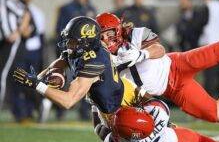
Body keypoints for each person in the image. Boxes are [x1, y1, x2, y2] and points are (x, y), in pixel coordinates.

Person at [96, 1, 219, 123]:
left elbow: (159, 49)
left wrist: (141, 55)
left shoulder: (136, 34)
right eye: (102, 36)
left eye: (110, 33)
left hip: (176, 64)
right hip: (171, 90)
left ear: (119, 28)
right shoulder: (101, 58)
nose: (107, 39)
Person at [13, 17, 149, 123]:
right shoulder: (83, 49)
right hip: (114, 95)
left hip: (122, 106)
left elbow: (68, 101)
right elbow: (59, 63)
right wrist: (38, 78)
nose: (68, 45)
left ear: (86, 42)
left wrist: (37, 85)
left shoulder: (94, 62)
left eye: (72, 42)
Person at [55, 0, 97, 120]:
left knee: (85, 80)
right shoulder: (66, 8)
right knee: (62, 78)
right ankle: (60, 110)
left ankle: (85, 111)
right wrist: (64, 50)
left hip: (86, 52)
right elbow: (60, 30)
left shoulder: (91, 8)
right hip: (70, 50)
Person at [9, 0, 45, 122]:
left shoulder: (37, 12)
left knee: (32, 82)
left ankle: (30, 111)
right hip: (20, 51)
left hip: (34, 52)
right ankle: (19, 112)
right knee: (18, 80)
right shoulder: (16, 10)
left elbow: (40, 35)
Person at [0, 0, 31, 114]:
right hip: (7, 41)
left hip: (10, 43)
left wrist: (17, 32)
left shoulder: (11, 2)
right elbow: (25, 16)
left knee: (4, 74)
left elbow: (26, 18)